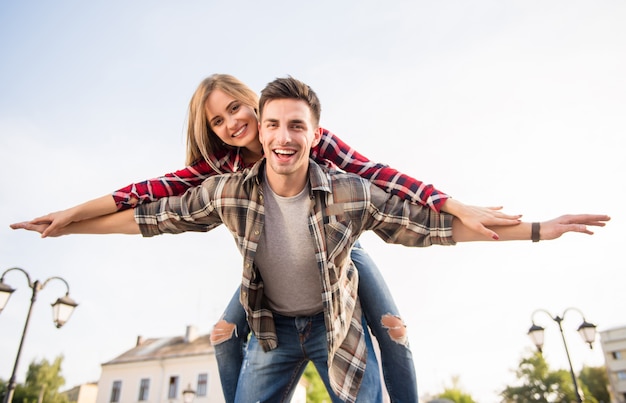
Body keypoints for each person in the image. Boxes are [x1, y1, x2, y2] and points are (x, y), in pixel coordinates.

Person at [12, 76, 610, 403]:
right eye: (228, 122)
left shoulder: (327, 162)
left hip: (341, 258)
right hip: (274, 302)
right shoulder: (224, 183)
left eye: (243, 112)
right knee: (224, 333)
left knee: (392, 327)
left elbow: (398, 193)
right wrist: (68, 218)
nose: (245, 127)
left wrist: (526, 226)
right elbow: (146, 205)